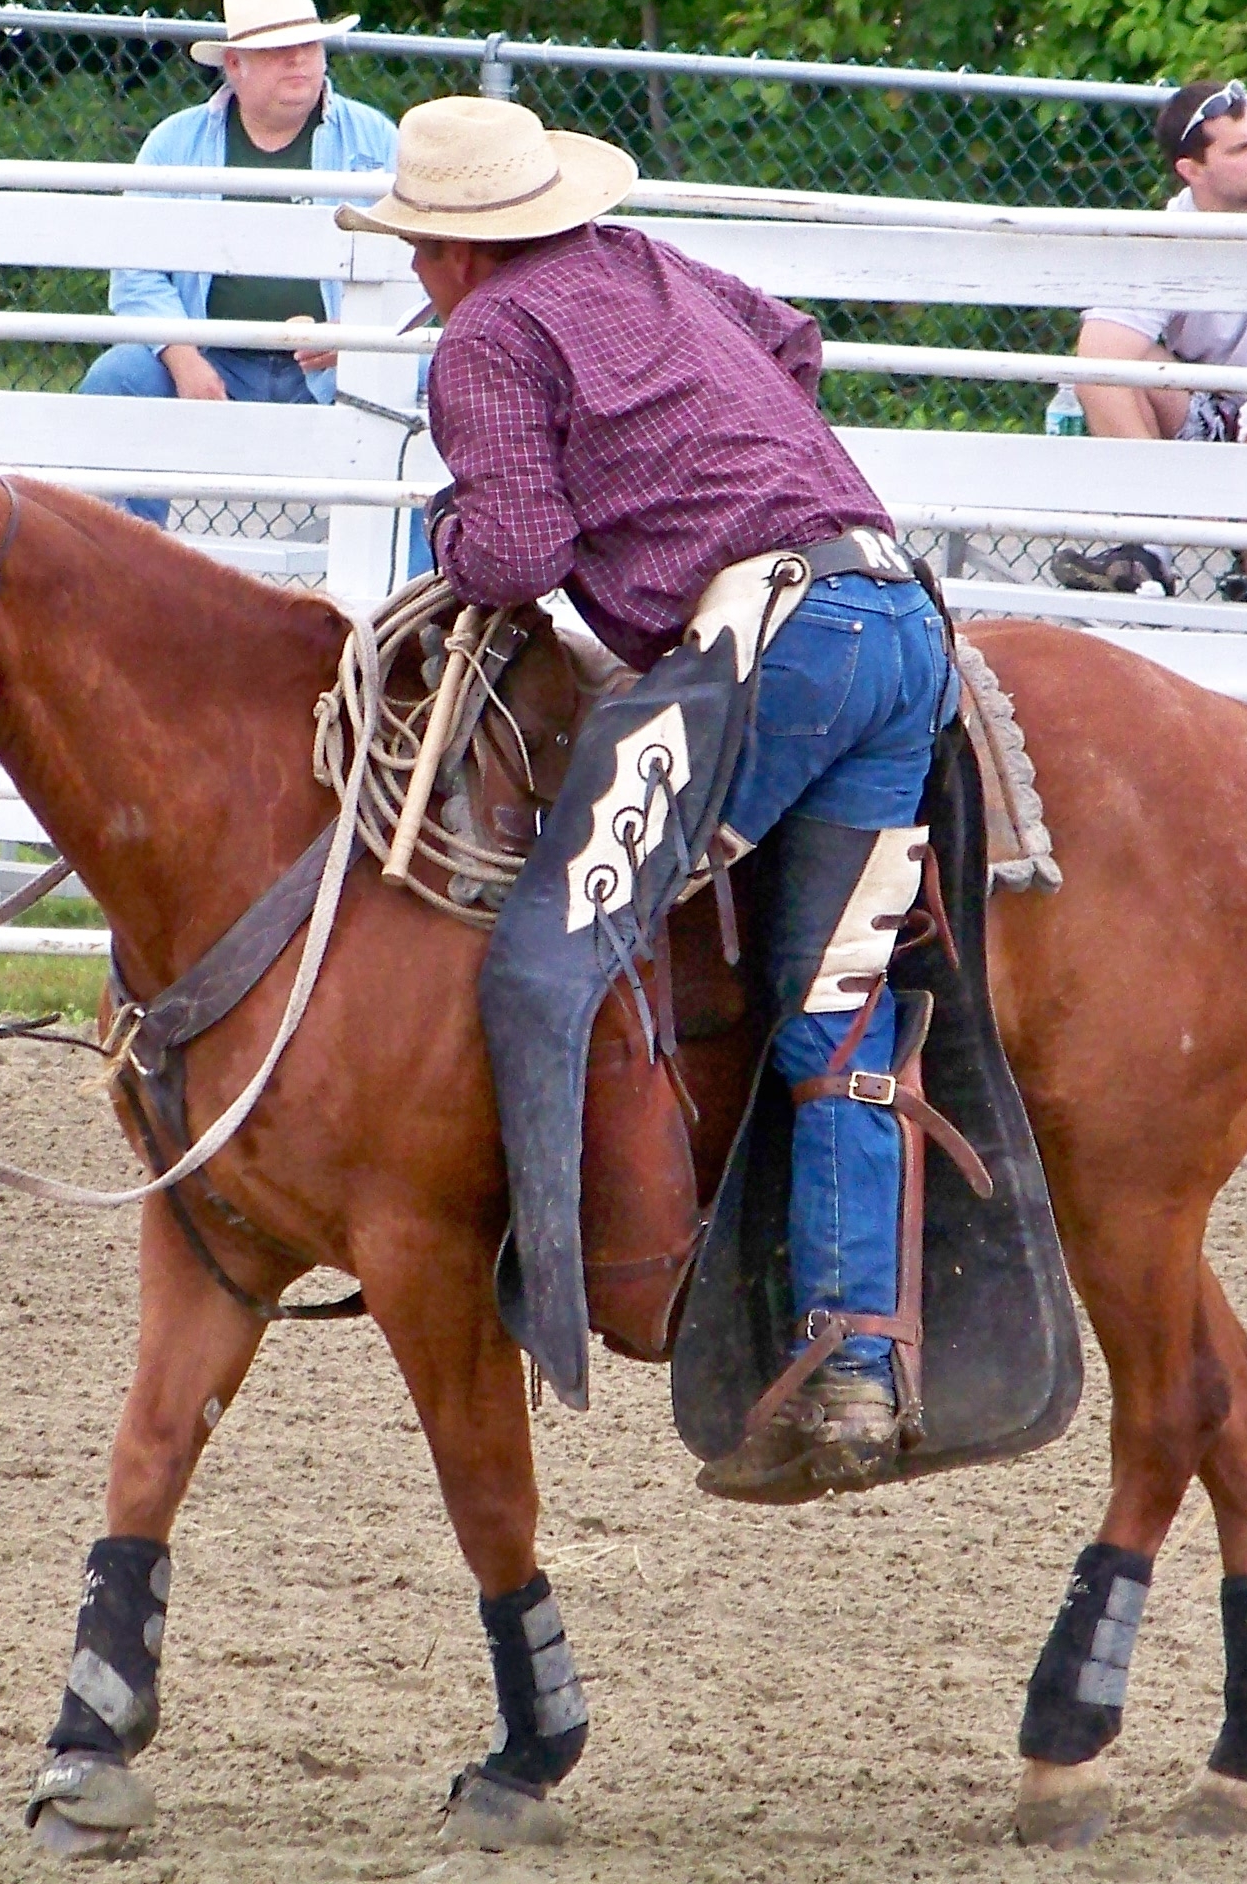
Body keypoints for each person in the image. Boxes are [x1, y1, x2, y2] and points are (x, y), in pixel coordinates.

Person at [338, 95, 951, 1491]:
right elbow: (794, 341)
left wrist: (455, 519)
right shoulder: (647, 265)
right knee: (832, 1015)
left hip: (765, 649)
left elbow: (513, 551)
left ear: (446, 249)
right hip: (898, 622)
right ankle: (856, 1356)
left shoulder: (486, 337)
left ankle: (563, 1297)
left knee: (550, 957)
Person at [78, 0, 399, 524]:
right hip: (213, 359)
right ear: (235, 66)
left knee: (426, 388)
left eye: (308, 44)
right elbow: (137, 273)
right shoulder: (175, 143)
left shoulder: (377, 141)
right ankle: (125, 575)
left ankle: (415, 592)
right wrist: (183, 356)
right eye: (278, 50)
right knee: (116, 382)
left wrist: (356, 342)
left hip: (338, 365)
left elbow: (416, 272)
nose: (299, 59)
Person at [1067, 79, 1247, 603]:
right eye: (1241, 148)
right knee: (1114, 371)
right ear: (1192, 170)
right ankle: (1148, 546)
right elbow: (1098, 352)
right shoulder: (1172, 230)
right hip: (1217, 413)